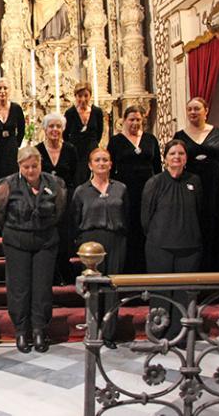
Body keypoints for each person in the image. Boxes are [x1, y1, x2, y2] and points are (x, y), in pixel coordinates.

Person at [0, 146, 66, 354]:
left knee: (42, 288)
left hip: (45, 241)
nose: (31, 170)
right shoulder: (7, 185)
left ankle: (40, 329)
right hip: (16, 241)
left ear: (41, 164)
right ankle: (22, 330)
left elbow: (59, 210)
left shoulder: (55, 183)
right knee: (19, 287)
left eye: (35, 166)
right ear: (19, 166)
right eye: (26, 167)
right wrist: (14, 227)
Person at [142, 140, 203, 340]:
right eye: (172, 153)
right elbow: (146, 217)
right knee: (161, 293)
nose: (176, 157)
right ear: (165, 158)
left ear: (186, 158)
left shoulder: (195, 181)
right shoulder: (155, 182)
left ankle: (182, 335)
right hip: (160, 247)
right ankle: (159, 334)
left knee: (184, 294)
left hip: (189, 247)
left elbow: (200, 212)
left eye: (181, 153)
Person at [71, 148, 128, 349]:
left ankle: (109, 333)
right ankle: (93, 329)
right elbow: (75, 219)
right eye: (97, 160)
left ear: (111, 164)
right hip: (90, 243)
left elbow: (126, 216)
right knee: (93, 288)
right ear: (90, 165)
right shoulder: (81, 191)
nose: (102, 163)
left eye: (105, 159)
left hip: (115, 239)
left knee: (112, 286)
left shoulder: (120, 188)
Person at [173, 97, 219, 272]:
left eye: (196, 109)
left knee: (216, 224)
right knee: (195, 224)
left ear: (206, 110)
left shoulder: (218, 133)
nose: (192, 112)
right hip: (191, 186)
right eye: (189, 109)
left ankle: (218, 273)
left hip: (216, 186)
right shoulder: (180, 136)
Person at [107, 106, 161, 273]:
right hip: (125, 191)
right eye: (131, 119)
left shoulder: (150, 140)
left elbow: (157, 167)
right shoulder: (116, 141)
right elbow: (110, 168)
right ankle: (129, 269)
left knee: (147, 226)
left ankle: (148, 267)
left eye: (138, 119)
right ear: (124, 120)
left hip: (148, 190)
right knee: (129, 227)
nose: (135, 122)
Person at [36, 112, 78, 285]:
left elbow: (75, 173)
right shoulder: (38, 150)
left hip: (64, 199)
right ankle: (50, 272)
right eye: (51, 126)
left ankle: (64, 270)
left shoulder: (70, 149)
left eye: (58, 126)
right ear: (45, 129)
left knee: (64, 236)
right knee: (47, 235)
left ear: (63, 129)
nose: (55, 129)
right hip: (44, 199)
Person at [63, 82, 104, 186]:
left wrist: (92, 144)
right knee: (77, 178)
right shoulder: (70, 113)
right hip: (76, 150)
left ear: (90, 95)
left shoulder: (97, 112)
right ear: (75, 96)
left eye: (86, 95)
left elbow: (99, 132)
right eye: (80, 96)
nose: (83, 99)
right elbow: (65, 134)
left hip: (91, 149)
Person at [0, 78, 25, 180]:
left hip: (11, 148)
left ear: (10, 90)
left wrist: (16, 143)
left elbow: (22, 129)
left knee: (12, 176)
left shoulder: (16, 108)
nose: (2, 91)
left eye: (5, 88)